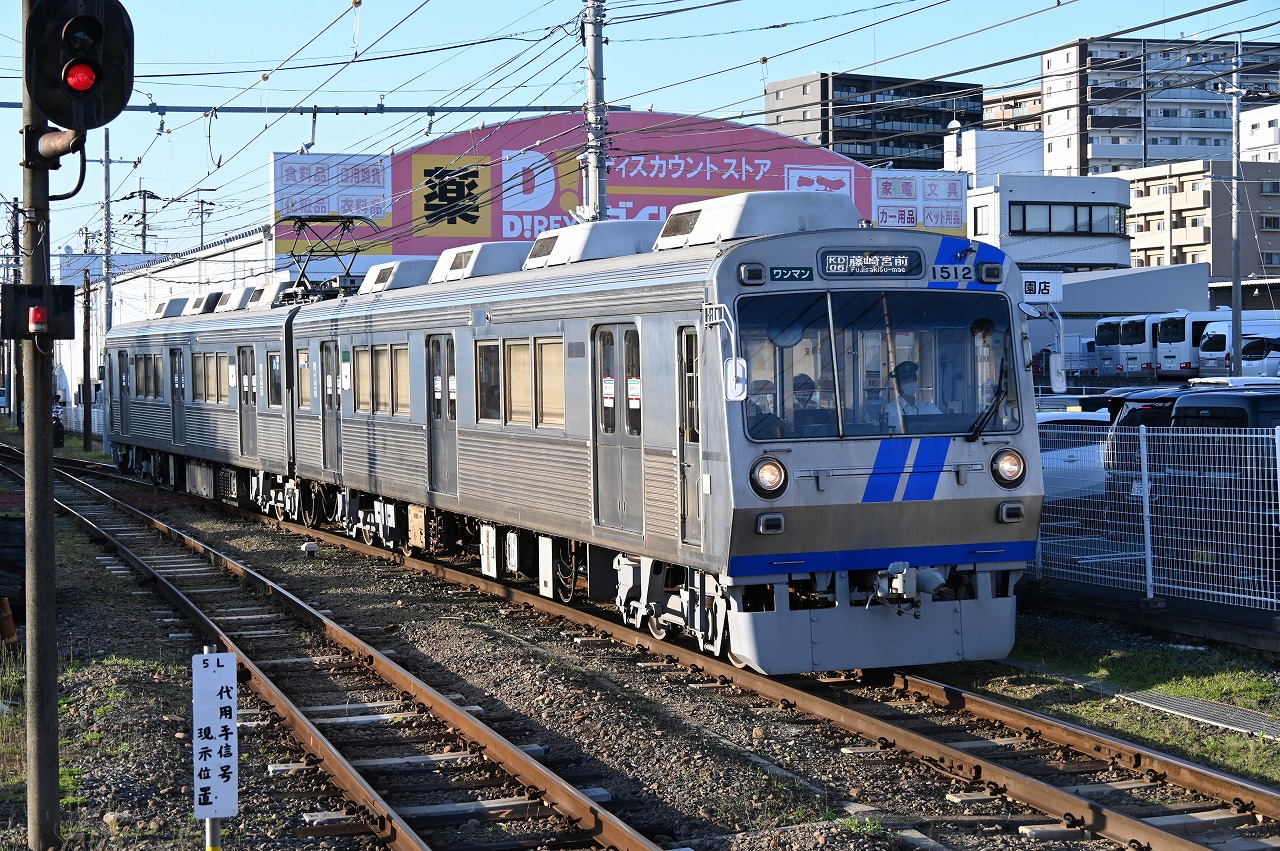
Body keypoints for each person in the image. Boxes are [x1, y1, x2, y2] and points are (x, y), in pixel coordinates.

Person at [885, 361, 940, 430]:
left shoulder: (929, 408)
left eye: (913, 380)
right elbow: (898, 431)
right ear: (898, 386)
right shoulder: (891, 409)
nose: (911, 384)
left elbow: (941, 425)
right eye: (906, 381)